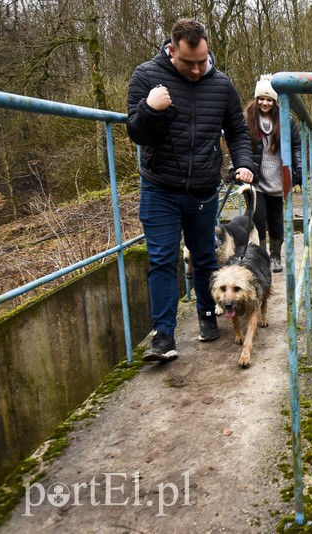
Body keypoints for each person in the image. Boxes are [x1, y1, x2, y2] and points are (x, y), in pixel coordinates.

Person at [127, 18, 254, 362]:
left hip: (203, 190)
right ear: (172, 50)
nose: (198, 69)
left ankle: (207, 314)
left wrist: (244, 164)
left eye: (202, 60)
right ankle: (164, 336)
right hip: (159, 188)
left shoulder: (223, 85)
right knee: (163, 259)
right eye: (188, 63)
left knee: (204, 259)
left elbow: (239, 133)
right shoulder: (146, 77)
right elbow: (136, 133)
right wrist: (149, 108)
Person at [243, 75, 302, 273]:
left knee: (276, 221)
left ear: (275, 101)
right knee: (257, 219)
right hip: (256, 178)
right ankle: (261, 259)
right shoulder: (247, 118)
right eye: (261, 98)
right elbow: (239, 144)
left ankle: (276, 256)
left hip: (278, 178)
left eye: (269, 99)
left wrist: (299, 169)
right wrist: (237, 168)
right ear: (256, 99)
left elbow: (296, 146)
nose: (265, 103)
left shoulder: (286, 119)